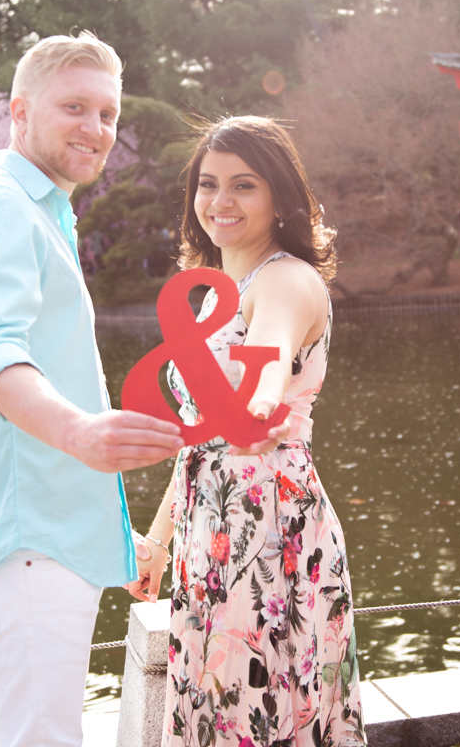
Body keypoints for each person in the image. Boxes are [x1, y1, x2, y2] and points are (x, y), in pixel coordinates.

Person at [0, 33, 185, 747]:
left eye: (108, 113)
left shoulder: (42, 212)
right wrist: (81, 433)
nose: (95, 128)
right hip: (28, 540)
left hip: (51, 535)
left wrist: (119, 535)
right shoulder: (2, 208)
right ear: (19, 111)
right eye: (74, 107)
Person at [129, 116, 367, 747]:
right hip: (206, 535)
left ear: (279, 197)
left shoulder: (286, 279)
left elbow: (269, 359)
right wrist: (158, 543)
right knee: (216, 711)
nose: (221, 200)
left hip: (268, 536)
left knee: (258, 713)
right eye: (208, 184)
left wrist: (257, 406)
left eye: (244, 185)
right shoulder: (216, 296)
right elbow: (201, 441)